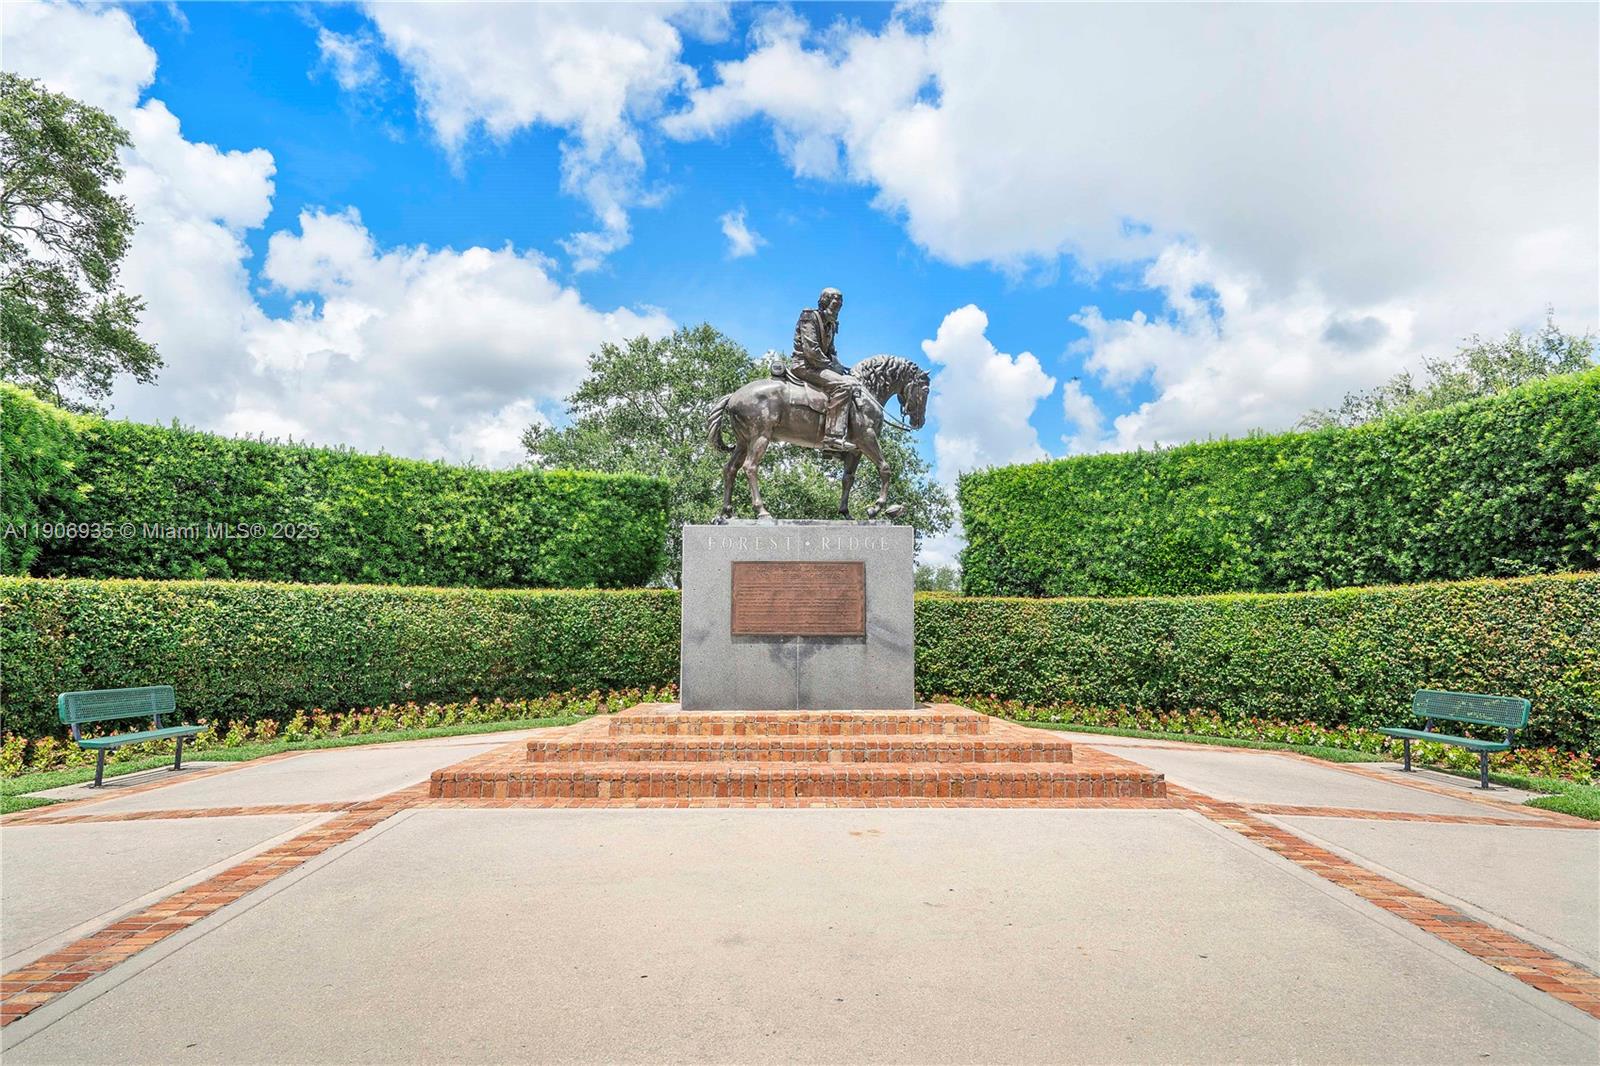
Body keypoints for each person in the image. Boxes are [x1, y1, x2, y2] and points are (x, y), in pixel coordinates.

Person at [791, 287, 857, 452]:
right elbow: (811, 350)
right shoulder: (809, 316)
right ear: (825, 301)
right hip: (805, 366)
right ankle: (833, 437)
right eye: (835, 302)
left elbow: (831, 352)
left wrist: (840, 367)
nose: (838, 306)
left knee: (852, 381)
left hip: (819, 365)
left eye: (840, 304)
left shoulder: (832, 324)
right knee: (844, 386)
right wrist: (831, 366)